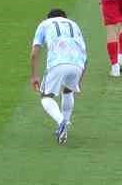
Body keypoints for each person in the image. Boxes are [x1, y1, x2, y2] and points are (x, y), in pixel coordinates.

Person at [30, 8, 89, 145]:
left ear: (48, 17)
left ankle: (60, 121)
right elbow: (85, 54)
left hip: (57, 64)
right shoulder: (74, 25)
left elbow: (34, 54)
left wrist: (34, 76)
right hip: (78, 64)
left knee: (46, 97)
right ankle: (65, 124)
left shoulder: (45, 24)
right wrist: (80, 79)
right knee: (68, 91)